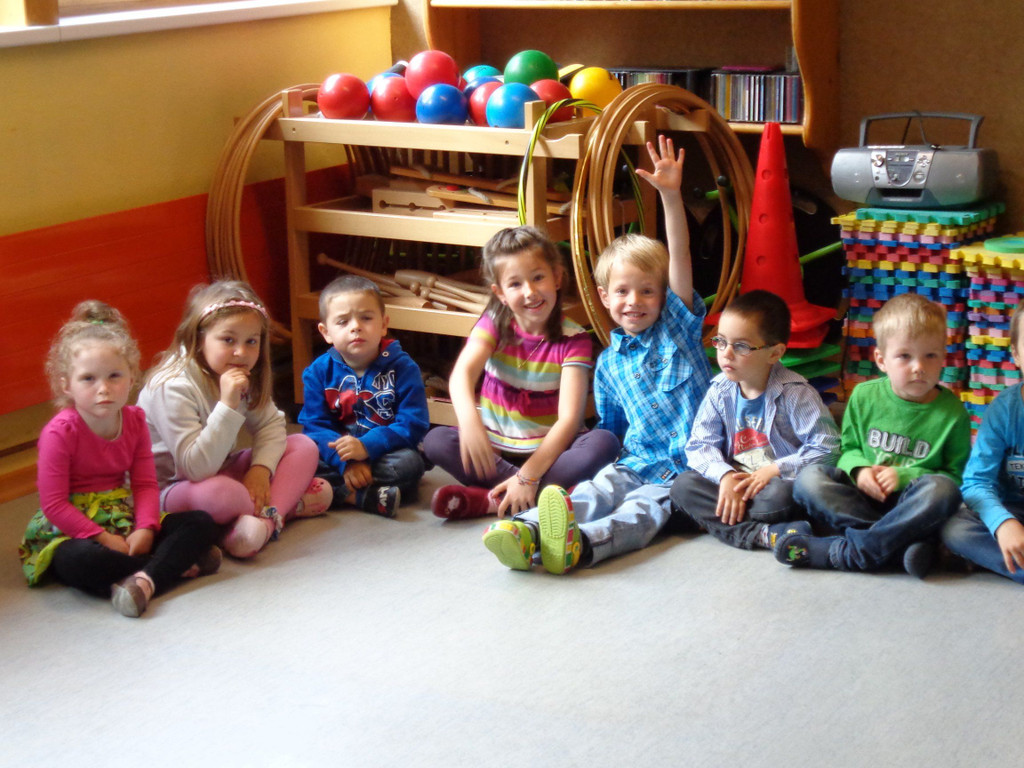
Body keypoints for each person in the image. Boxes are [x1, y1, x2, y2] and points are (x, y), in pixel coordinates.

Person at [481, 134, 713, 574]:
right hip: (636, 461)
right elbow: (613, 430)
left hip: (690, 469)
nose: (634, 301)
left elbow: (680, 257)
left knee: (642, 511)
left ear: (664, 295)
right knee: (598, 488)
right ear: (605, 297)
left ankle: (582, 544)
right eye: (622, 292)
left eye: (647, 291)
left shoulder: (677, 329)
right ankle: (526, 530)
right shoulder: (607, 363)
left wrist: (670, 196)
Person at [19, 301, 219, 618]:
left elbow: (145, 484)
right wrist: (103, 538)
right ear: (66, 385)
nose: (104, 389)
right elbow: (55, 504)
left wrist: (146, 528)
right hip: (73, 528)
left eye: (114, 376)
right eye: (88, 379)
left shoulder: (135, 420)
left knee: (201, 522)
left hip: (119, 514)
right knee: (81, 561)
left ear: (131, 377)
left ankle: (142, 580)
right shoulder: (59, 432)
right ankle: (168, 568)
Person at [422, 225, 620, 520]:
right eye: (515, 284)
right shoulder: (493, 323)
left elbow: (569, 420)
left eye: (538, 277)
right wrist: (470, 423)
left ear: (557, 277)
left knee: (604, 443)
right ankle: (538, 497)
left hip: (552, 452)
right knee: (436, 440)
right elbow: (462, 375)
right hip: (496, 448)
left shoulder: (574, 339)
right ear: (500, 294)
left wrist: (527, 477)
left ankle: (492, 499)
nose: (530, 292)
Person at [777, 292, 971, 576]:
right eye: (904, 356)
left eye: (930, 355)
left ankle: (852, 552)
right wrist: (860, 471)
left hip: (911, 504)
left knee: (943, 491)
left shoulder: (953, 413)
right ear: (881, 360)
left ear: (943, 356)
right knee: (808, 479)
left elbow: (955, 478)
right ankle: (897, 547)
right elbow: (849, 449)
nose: (919, 367)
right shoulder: (864, 396)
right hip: (861, 498)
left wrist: (904, 476)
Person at [138, 280, 329, 559]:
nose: (241, 352)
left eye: (251, 341)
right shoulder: (172, 385)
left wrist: (260, 470)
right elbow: (196, 469)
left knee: (304, 446)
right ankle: (283, 508)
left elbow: (270, 425)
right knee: (223, 495)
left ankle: (261, 525)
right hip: (174, 488)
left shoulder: (239, 371)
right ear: (199, 339)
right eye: (228, 340)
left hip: (222, 468)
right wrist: (227, 405)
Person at [670, 290, 840, 551]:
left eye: (741, 346)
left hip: (775, 487)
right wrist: (725, 476)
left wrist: (775, 470)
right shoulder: (719, 390)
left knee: (780, 498)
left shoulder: (795, 393)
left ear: (775, 353)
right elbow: (700, 444)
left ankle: (720, 521)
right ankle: (764, 533)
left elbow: (828, 448)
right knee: (682, 486)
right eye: (721, 341)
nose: (726, 354)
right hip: (736, 485)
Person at [298, 275, 429, 518]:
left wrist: (367, 447)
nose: (355, 326)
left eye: (366, 318)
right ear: (326, 332)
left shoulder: (403, 367)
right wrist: (346, 462)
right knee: (297, 456)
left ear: (383, 324)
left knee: (410, 465)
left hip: (384, 454)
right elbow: (315, 427)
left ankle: (335, 492)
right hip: (338, 457)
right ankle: (360, 496)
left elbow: (414, 423)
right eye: (343, 321)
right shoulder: (317, 372)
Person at [942, 302, 1024, 583]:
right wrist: (1003, 523)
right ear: (1016, 355)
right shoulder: (1004, 410)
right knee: (956, 529)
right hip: (1012, 510)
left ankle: (995, 560)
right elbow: (976, 482)